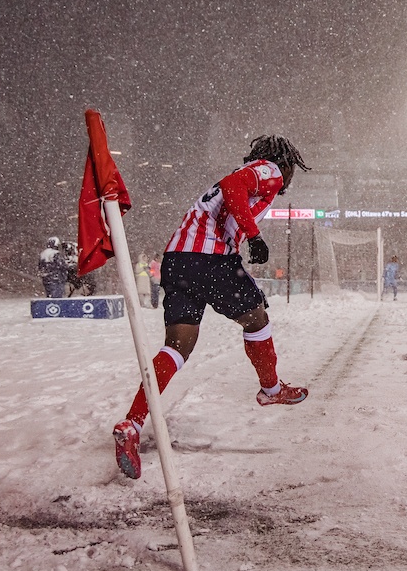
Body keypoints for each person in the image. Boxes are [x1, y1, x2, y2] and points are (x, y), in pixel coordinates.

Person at [112, 134, 311, 480]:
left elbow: (229, 189)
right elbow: (235, 186)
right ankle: (271, 389)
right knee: (257, 318)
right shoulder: (269, 170)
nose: (289, 179)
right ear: (286, 164)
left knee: (177, 346)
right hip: (211, 258)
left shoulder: (240, 175)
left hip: (177, 259)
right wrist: (254, 235)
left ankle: (131, 424)